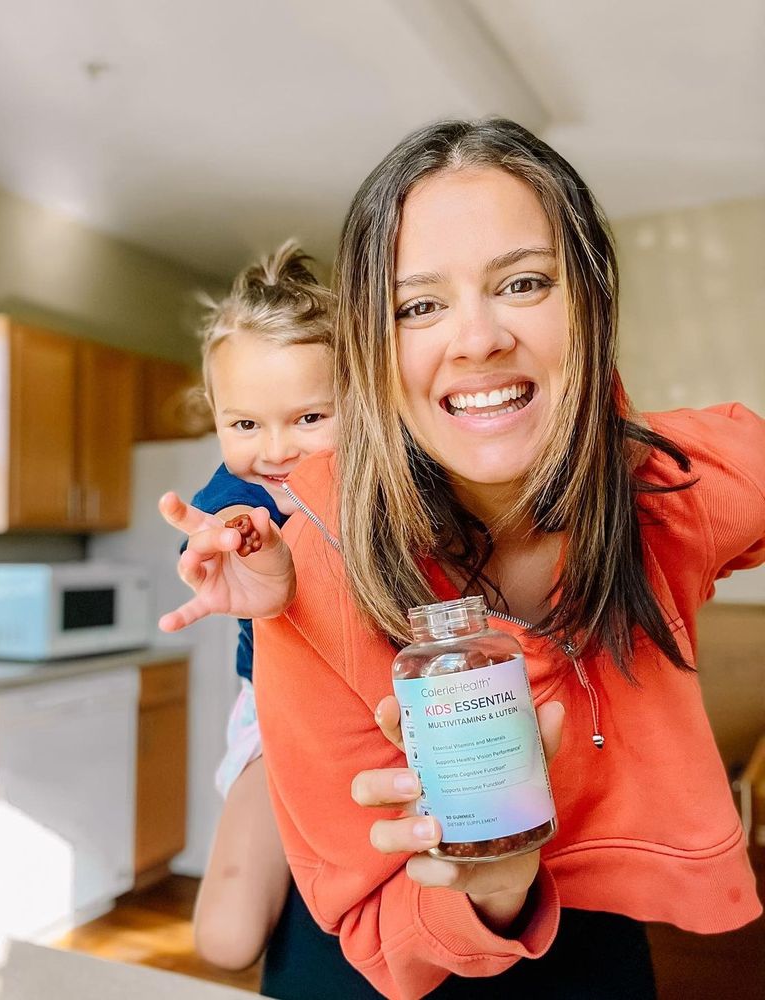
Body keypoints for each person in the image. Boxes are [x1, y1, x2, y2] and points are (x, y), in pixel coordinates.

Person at [164, 119, 765, 1000]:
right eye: (418, 305)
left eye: (522, 283)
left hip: (599, 948)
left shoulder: (670, 489)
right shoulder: (310, 562)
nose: (477, 338)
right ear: (374, 350)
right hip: (381, 949)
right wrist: (491, 887)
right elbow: (380, 935)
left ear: (591, 305)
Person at [158, 240, 337, 971]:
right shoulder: (241, 494)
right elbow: (209, 536)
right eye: (244, 424)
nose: (275, 449)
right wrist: (223, 544)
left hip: (379, 716)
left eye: (310, 417)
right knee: (225, 938)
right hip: (272, 715)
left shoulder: (385, 486)